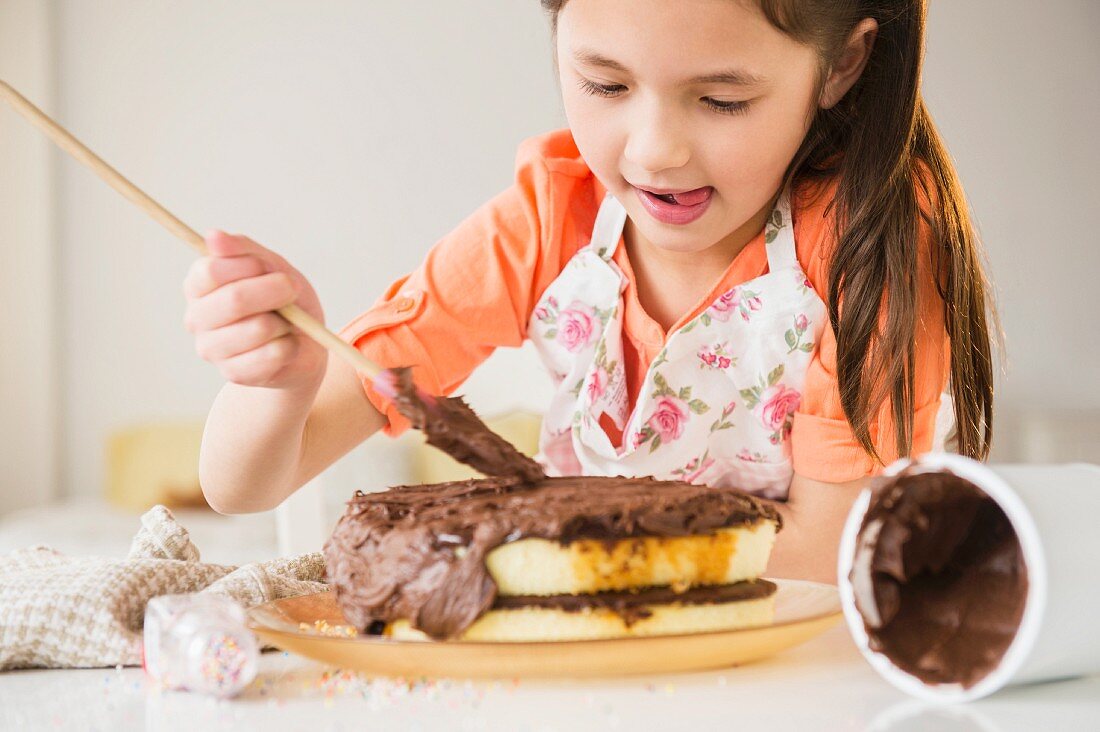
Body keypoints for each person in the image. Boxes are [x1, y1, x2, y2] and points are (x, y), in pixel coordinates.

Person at [182, 0, 995, 583]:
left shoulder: (867, 245)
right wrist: (279, 385)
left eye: (722, 99)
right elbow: (243, 485)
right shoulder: (550, 218)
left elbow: (827, 550)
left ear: (842, 64)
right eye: (606, 85)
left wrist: (551, 529)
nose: (655, 151)